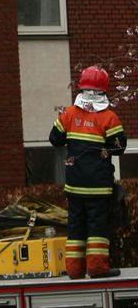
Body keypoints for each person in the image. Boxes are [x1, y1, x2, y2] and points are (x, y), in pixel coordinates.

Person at [49, 66, 126, 278]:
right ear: (104, 90)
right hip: (99, 187)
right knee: (97, 228)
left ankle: (75, 270)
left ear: (81, 87)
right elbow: (119, 148)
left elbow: (55, 140)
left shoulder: (68, 114)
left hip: (74, 185)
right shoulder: (109, 118)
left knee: (75, 227)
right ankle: (97, 268)